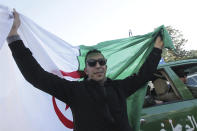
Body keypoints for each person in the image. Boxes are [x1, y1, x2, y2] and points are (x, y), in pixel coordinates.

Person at [7, 10, 164, 131]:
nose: (98, 65)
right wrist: (13, 36)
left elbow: (144, 75)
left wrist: (157, 49)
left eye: (101, 62)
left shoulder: (120, 87)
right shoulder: (74, 91)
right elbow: (36, 76)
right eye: (92, 63)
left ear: (106, 66)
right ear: (86, 70)